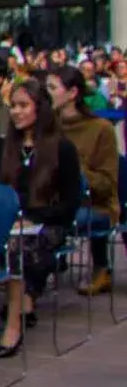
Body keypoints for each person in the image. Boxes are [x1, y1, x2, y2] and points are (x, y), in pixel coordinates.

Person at [0, 79, 82, 359]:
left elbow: (69, 205)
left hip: (49, 224)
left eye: (24, 106)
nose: (16, 112)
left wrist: (31, 218)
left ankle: (13, 327)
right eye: (13, 106)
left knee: (17, 248)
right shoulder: (2, 148)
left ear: (40, 109)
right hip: (8, 224)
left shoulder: (62, 148)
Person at [49, 67, 122, 296]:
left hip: (95, 205)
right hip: (52, 201)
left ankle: (101, 268)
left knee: (53, 222)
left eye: (51, 88)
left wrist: (74, 168)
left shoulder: (101, 129)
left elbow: (107, 184)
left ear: (72, 93)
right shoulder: (48, 126)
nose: (45, 93)